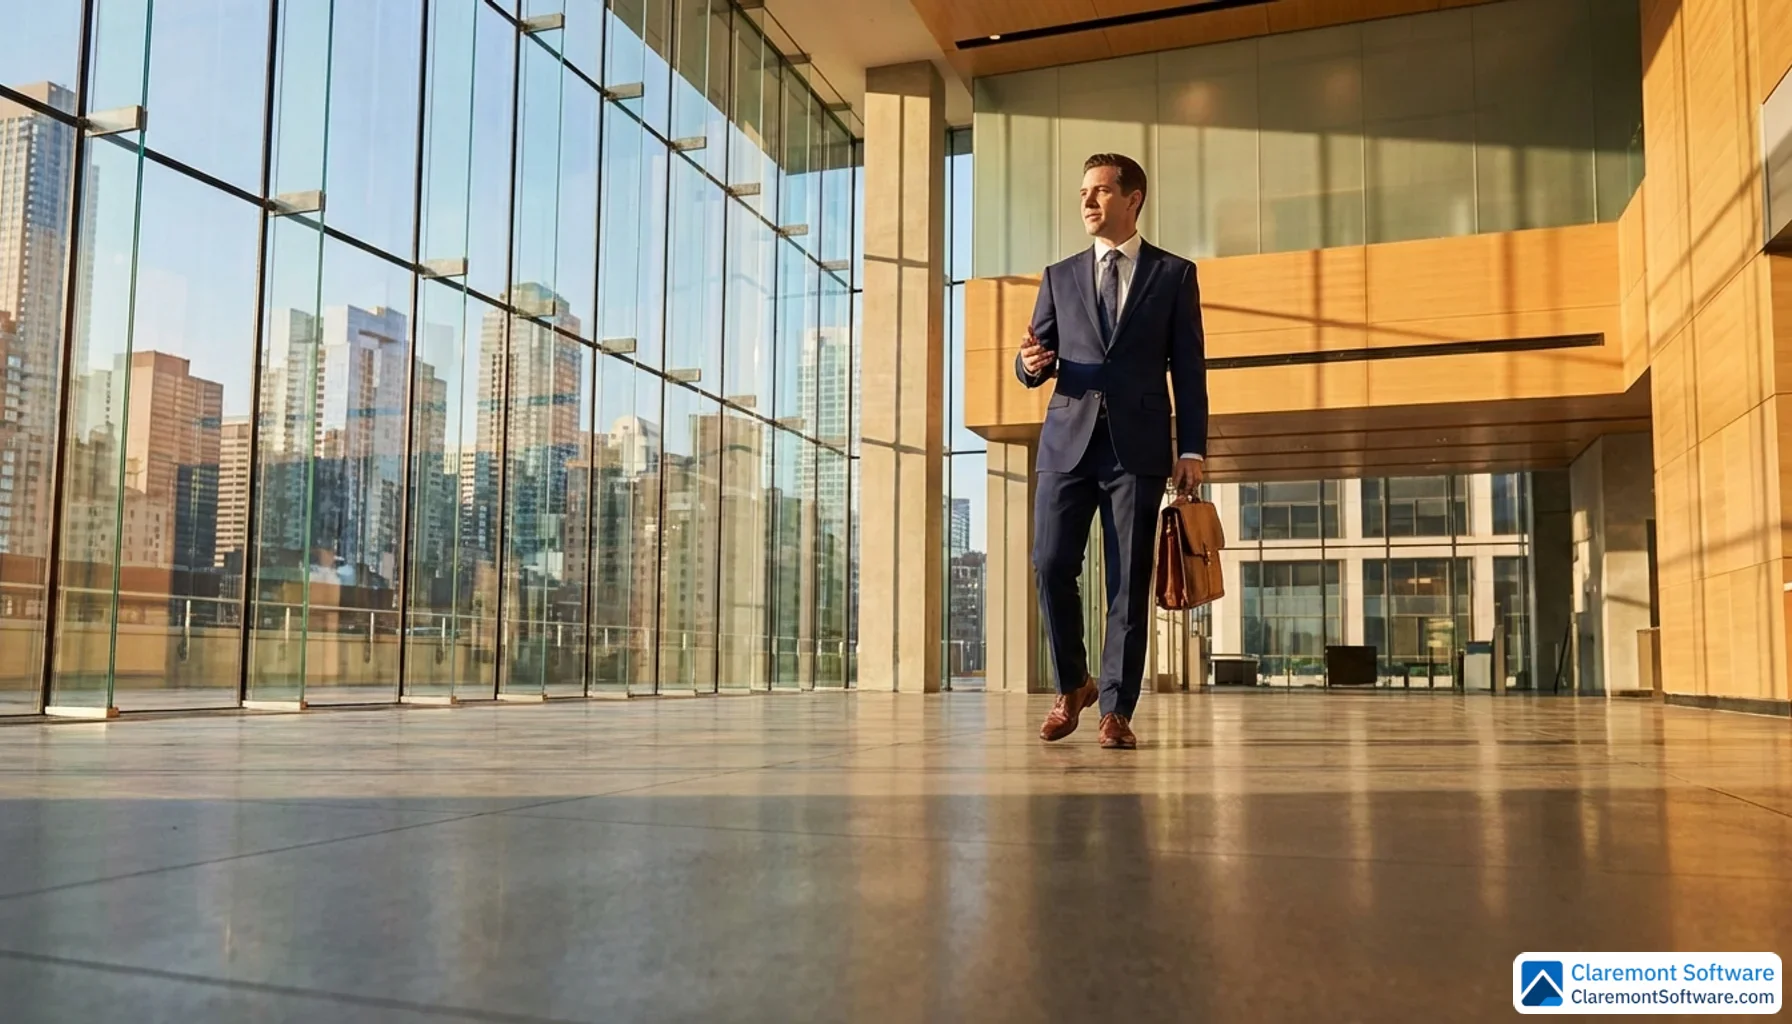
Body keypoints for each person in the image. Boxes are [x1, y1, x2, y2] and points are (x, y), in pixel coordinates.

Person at [1015, 153, 1209, 750]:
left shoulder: (1173, 275)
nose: (1088, 203)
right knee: (1049, 563)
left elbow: (1190, 369)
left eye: (1100, 191)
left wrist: (1193, 449)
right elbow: (1033, 357)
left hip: (1139, 448)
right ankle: (1075, 684)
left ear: (1133, 199)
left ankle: (1116, 709)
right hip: (1066, 442)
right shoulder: (1059, 275)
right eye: (1083, 193)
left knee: (1128, 577)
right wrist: (1027, 366)